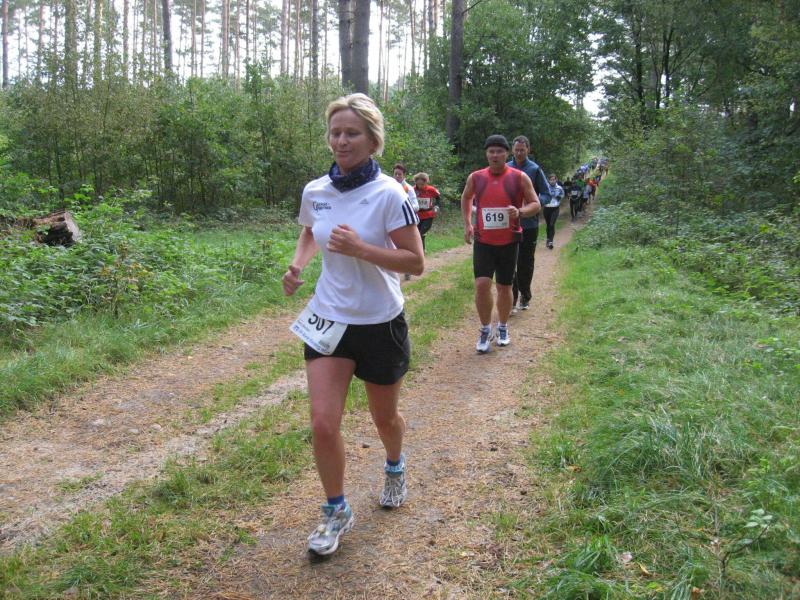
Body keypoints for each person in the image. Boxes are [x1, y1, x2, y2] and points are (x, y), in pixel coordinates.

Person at [282, 93, 424, 556]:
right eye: (335, 133)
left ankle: (395, 465)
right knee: (323, 423)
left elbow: (415, 261)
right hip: (329, 318)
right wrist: (298, 265)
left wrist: (362, 249)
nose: (341, 141)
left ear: (372, 140)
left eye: (352, 133)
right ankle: (336, 509)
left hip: (379, 321)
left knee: (385, 418)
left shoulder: (390, 194)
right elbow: (310, 231)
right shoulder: (316, 191)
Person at [461, 134, 540, 353]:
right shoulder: (476, 177)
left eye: (499, 151)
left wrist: (520, 211)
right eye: (491, 151)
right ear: (486, 154)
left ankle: (503, 326)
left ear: (507, 154)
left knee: (504, 286)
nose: (495, 155)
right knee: (481, 285)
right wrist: (468, 224)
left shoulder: (520, 177)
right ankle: (486, 329)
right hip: (484, 241)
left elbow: (535, 204)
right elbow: (466, 197)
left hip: (509, 241)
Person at [506, 135, 550, 312]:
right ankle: (512, 298)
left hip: (529, 224)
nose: (519, 153)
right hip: (508, 224)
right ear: (512, 150)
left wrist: (534, 204)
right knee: (509, 262)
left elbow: (547, 194)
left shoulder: (535, 169)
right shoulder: (505, 168)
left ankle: (525, 295)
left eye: (522, 150)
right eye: (516, 150)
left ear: (528, 150)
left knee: (525, 262)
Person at [412, 172, 440, 253]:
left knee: (421, 232)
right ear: (416, 182)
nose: (420, 186)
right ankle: (422, 250)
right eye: (418, 184)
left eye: (422, 184)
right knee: (418, 233)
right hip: (417, 215)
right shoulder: (412, 189)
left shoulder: (431, 189)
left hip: (428, 215)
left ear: (426, 182)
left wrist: (436, 206)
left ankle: (420, 251)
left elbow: (438, 198)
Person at [543, 173, 564, 249]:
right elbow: (541, 195)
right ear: (548, 180)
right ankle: (548, 239)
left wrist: (558, 197)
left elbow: (562, 195)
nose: (552, 181)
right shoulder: (545, 187)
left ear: (556, 180)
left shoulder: (559, 188)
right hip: (547, 208)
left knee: (552, 224)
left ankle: (551, 242)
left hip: (555, 208)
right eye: (551, 180)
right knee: (548, 225)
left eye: (554, 179)